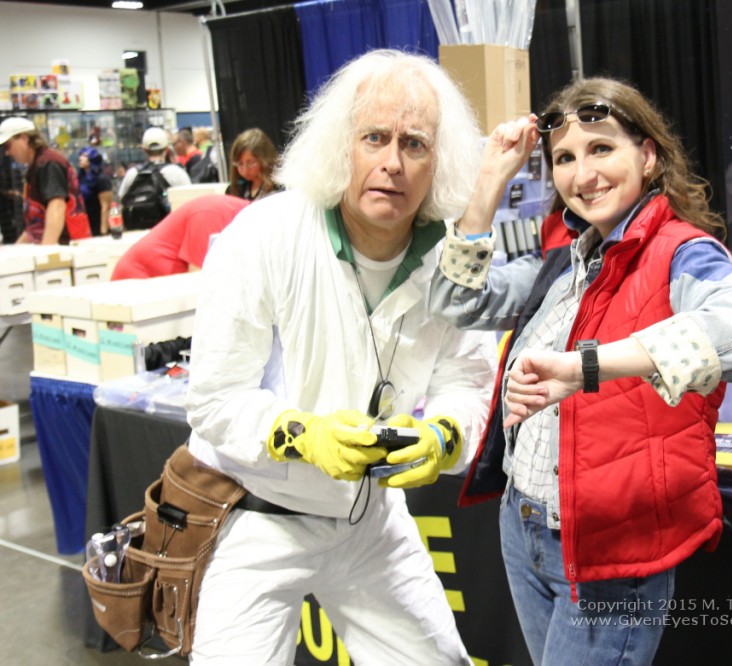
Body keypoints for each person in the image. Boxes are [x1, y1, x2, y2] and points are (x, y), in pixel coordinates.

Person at [430, 78, 732, 665]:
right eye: (564, 158)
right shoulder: (566, 261)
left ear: (648, 154)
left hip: (611, 550)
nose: (582, 174)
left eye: (602, 149)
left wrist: (586, 367)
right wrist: (490, 178)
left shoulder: (681, 252)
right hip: (524, 528)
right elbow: (457, 300)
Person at [183, 49, 497, 665]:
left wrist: (443, 435)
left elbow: (470, 380)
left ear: (441, 159)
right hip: (256, 514)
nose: (392, 163)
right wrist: (303, 435)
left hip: (372, 522)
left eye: (415, 144)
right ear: (339, 145)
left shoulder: (452, 260)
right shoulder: (264, 236)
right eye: (374, 137)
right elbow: (214, 399)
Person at [109, 193, 248, 280]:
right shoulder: (212, 213)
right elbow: (199, 278)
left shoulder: (234, 215)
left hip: (161, 286)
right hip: (138, 283)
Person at [0, 116, 87, 244]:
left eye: (8, 145)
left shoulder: (48, 163)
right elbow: (36, 225)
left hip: (66, 247)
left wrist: (46, 253)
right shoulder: (36, 165)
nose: (7, 152)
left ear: (24, 138)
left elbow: (56, 206)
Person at [117, 127, 191, 229]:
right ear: (167, 149)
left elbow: (122, 200)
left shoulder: (132, 173)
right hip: (168, 230)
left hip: (137, 233)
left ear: (144, 149)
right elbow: (190, 202)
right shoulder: (176, 172)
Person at [226, 127, 281, 201]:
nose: (245, 170)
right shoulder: (233, 190)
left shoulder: (279, 188)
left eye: (251, 163)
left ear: (265, 159)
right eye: (240, 164)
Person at [77, 147, 113, 236]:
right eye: (80, 155)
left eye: (84, 156)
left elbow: (106, 207)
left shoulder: (101, 179)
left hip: (97, 223)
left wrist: (103, 230)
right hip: (85, 223)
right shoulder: (80, 178)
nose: (80, 158)